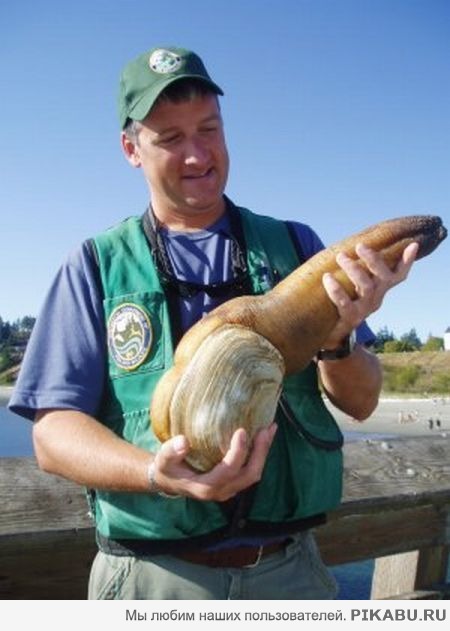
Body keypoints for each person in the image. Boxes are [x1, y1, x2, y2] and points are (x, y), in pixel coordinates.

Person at [9, 45, 418, 600]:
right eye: (170, 138)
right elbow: (53, 437)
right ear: (131, 149)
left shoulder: (298, 248)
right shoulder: (95, 265)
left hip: (290, 573)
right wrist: (157, 474)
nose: (198, 154)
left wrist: (339, 339)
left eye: (209, 129)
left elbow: (362, 402)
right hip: (153, 581)